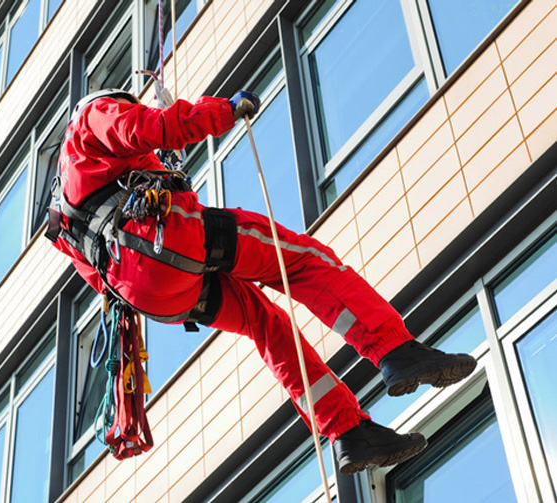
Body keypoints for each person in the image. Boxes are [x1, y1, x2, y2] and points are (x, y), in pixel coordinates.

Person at [46, 88, 476, 474]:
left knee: (263, 323)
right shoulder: (93, 116)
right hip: (168, 239)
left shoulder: (61, 213)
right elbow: (150, 127)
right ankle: (395, 348)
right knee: (303, 262)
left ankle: (347, 431)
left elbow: (98, 276)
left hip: (153, 297)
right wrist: (225, 111)